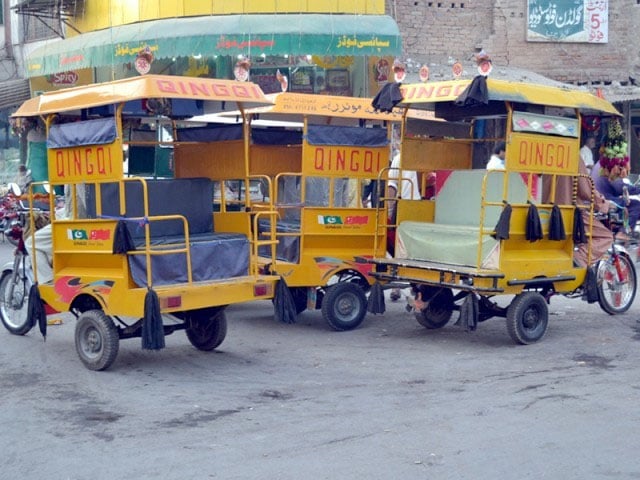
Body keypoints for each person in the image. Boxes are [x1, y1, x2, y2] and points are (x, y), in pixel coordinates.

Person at [542, 159, 612, 267]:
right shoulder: (574, 156)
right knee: (606, 236)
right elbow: (585, 190)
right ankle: (579, 258)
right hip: (570, 212)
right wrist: (602, 203)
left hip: (546, 210)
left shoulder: (548, 155)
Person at [387, 151, 420, 301]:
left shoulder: (427, 155)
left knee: (416, 251)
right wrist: (389, 208)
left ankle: (417, 286)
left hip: (421, 206)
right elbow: (392, 185)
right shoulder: (399, 158)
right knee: (398, 248)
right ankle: (397, 286)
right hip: (406, 207)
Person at [594, 158, 640, 234]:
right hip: (605, 201)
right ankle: (623, 233)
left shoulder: (600, 163)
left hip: (602, 198)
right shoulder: (610, 166)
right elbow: (619, 187)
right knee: (636, 205)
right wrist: (637, 190)